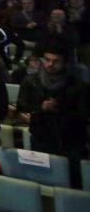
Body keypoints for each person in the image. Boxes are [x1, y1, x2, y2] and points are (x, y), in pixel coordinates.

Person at [16, 45, 89, 188]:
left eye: (56, 61)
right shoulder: (31, 81)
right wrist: (41, 108)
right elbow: (22, 105)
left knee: (72, 183)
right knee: (43, 181)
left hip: (70, 142)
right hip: (41, 138)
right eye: (47, 60)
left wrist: (60, 108)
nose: (50, 64)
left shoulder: (79, 86)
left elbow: (83, 114)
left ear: (66, 63)